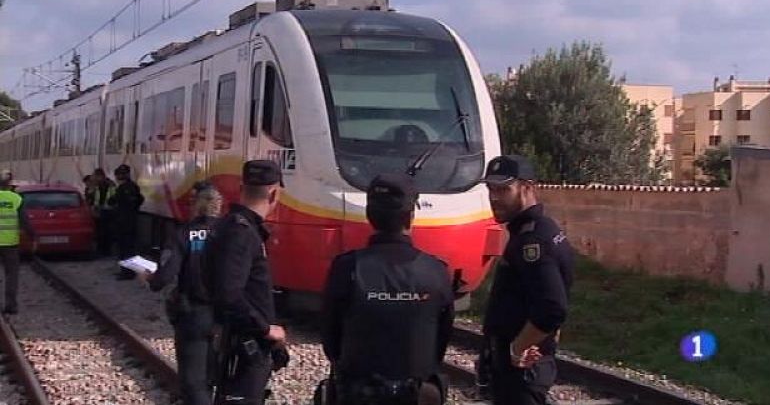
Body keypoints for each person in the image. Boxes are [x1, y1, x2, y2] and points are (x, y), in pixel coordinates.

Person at [319, 173, 455, 405]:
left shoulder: (347, 267)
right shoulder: (436, 271)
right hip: (418, 396)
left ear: (369, 215)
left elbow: (331, 339)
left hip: (357, 394)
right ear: (410, 216)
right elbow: (441, 340)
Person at [478, 155, 574, 405]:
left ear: (527, 188)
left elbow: (553, 308)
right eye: (491, 189)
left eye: (503, 190)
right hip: (527, 365)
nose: (494, 197)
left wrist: (516, 348)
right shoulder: (542, 229)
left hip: (522, 370)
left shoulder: (532, 242)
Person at [206, 160, 287, 405]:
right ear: (274, 193)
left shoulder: (236, 227)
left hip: (241, 342)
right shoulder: (241, 233)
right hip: (243, 346)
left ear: (242, 188)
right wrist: (265, 328)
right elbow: (228, 294)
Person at [138, 181, 223, 405]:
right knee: (223, 376)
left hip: (194, 314)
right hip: (228, 314)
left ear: (195, 207)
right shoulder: (232, 232)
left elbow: (164, 277)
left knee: (195, 382)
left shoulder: (183, 234)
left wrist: (149, 278)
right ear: (218, 206)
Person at [0, 170, 34, 315]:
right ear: (9, 184)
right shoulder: (16, 199)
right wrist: (33, 237)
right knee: (11, 275)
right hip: (10, 244)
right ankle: (10, 305)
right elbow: (25, 222)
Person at [109, 164, 144, 279]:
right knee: (126, 248)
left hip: (125, 222)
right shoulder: (131, 187)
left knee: (126, 248)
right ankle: (127, 271)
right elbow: (139, 200)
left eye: (120, 174)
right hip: (128, 221)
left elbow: (115, 201)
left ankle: (127, 272)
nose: (119, 176)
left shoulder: (125, 188)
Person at [91, 168, 116, 258]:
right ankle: (101, 250)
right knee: (100, 232)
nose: (95, 178)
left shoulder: (109, 185)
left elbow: (113, 197)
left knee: (106, 232)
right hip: (101, 210)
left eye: (96, 176)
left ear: (101, 176)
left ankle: (106, 251)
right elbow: (96, 198)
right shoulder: (98, 185)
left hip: (109, 211)